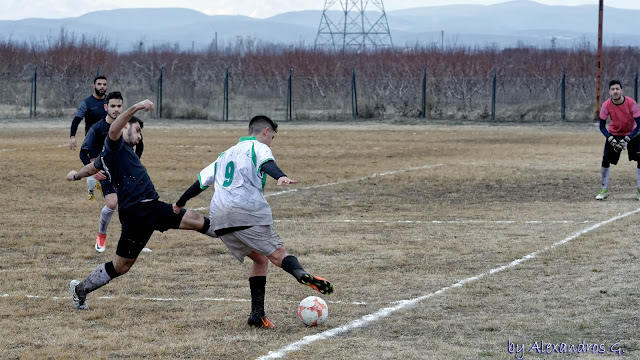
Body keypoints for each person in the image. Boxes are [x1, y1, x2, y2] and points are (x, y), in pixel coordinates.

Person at [174, 115, 334, 329]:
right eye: (272, 138)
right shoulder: (258, 147)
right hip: (246, 212)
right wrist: (281, 176)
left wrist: (180, 202)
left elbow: (201, 183)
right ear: (266, 131)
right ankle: (300, 273)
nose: (270, 142)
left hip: (220, 219)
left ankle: (256, 316)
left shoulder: (225, 154)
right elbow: (267, 163)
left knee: (260, 259)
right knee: (278, 254)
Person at [66, 99, 217, 310]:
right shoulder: (114, 143)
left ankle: (231, 234)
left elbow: (92, 168)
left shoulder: (115, 154)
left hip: (152, 207)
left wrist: (76, 176)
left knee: (193, 219)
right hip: (135, 214)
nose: (139, 137)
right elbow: (114, 129)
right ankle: (80, 289)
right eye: (137, 131)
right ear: (125, 126)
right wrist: (136, 108)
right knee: (122, 266)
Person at [79, 91, 148, 253]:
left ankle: (135, 240)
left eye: (119, 106)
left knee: (134, 204)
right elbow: (84, 152)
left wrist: (135, 162)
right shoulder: (97, 128)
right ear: (106, 107)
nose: (116, 109)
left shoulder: (129, 125)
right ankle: (101, 236)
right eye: (113, 106)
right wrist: (93, 172)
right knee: (111, 204)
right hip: (106, 173)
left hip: (126, 174)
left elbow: (140, 144)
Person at [596, 79, 640, 200]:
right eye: (612, 89)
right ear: (609, 92)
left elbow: (639, 125)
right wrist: (611, 139)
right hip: (614, 135)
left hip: (632, 134)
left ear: (622, 90)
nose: (615, 91)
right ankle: (604, 189)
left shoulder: (631, 103)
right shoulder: (606, 105)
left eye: (617, 89)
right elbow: (601, 126)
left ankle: (639, 190)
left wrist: (627, 138)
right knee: (605, 160)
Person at [69, 75, 108, 200]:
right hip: (93, 141)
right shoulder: (86, 103)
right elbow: (76, 120)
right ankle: (91, 191)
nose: (102, 86)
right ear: (94, 86)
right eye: (99, 84)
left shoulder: (110, 103)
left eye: (104, 84)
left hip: (108, 141)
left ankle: (105, 188)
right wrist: (72, 136)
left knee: (108, 166)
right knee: (93, 166)